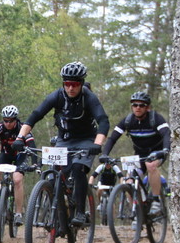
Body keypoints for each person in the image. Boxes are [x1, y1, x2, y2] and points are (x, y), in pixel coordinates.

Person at [12, 62, 109, 227]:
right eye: (67, 84)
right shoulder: (57, 96)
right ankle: (59, 218)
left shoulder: (89, 97)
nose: (70, 88)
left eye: (75, 84)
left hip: (86, 140)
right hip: (64, 139)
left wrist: (97, 143)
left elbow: (103, 121)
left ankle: (79, 211)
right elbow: (35, 116)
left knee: (78, 168)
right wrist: (20, 138)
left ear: (81, 83)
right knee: (55, 175)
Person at [101, 91, 170, 217]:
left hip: (156, 152)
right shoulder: (128, 121)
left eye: (141, 105)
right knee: (129, 180)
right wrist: (105, 154)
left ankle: (156, 200)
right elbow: (112, 138)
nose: (138, 107)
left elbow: (166, 134)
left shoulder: (155, 118)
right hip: (139, 155)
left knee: (151, 165)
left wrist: (165, 150)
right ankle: (137, 212)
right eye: (135, 105)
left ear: (147, 107)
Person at [0, 105, 37, 227]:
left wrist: (34, 163)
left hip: (20, 156)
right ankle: (1, 195)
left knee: (17, 179)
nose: (8, 123)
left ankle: (18, 213)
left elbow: (32, 146)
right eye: (5, 120)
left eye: (11, 121)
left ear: (16, 119)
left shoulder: (23, 128)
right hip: (6, 155)